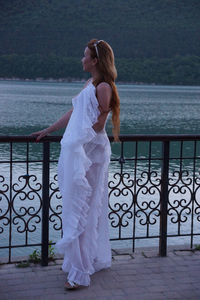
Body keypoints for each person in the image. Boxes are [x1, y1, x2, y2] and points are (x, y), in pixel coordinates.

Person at [31, 39, 120, 289]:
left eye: (85, 56)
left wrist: (76, 143)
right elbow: (74, 113)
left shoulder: (104, 87)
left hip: (91, 154)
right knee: (76, 207)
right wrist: (49, 130)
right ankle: (80, 262)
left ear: (95, 60)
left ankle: (80, 273)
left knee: (83, 208)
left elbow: (99, 125)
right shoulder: (90, 83)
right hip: (82, 151)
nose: (81, 59)